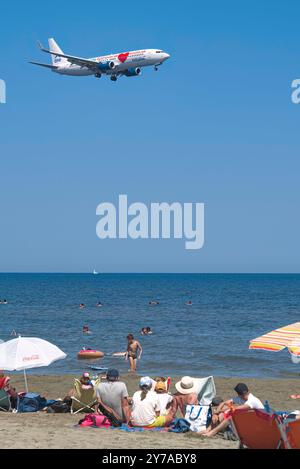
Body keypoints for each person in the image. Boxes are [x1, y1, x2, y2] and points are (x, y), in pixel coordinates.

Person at [200, 382, 264, 437]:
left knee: (231, 417)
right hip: (250, 419)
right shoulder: (241, 398)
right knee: (223, 412)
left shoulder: (252, 400)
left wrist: (218, 411)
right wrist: (216, 413)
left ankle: (212, 432)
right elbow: (223, 403)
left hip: (259, 424)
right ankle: (208, 429)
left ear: (239, 394)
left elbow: (235, 408)